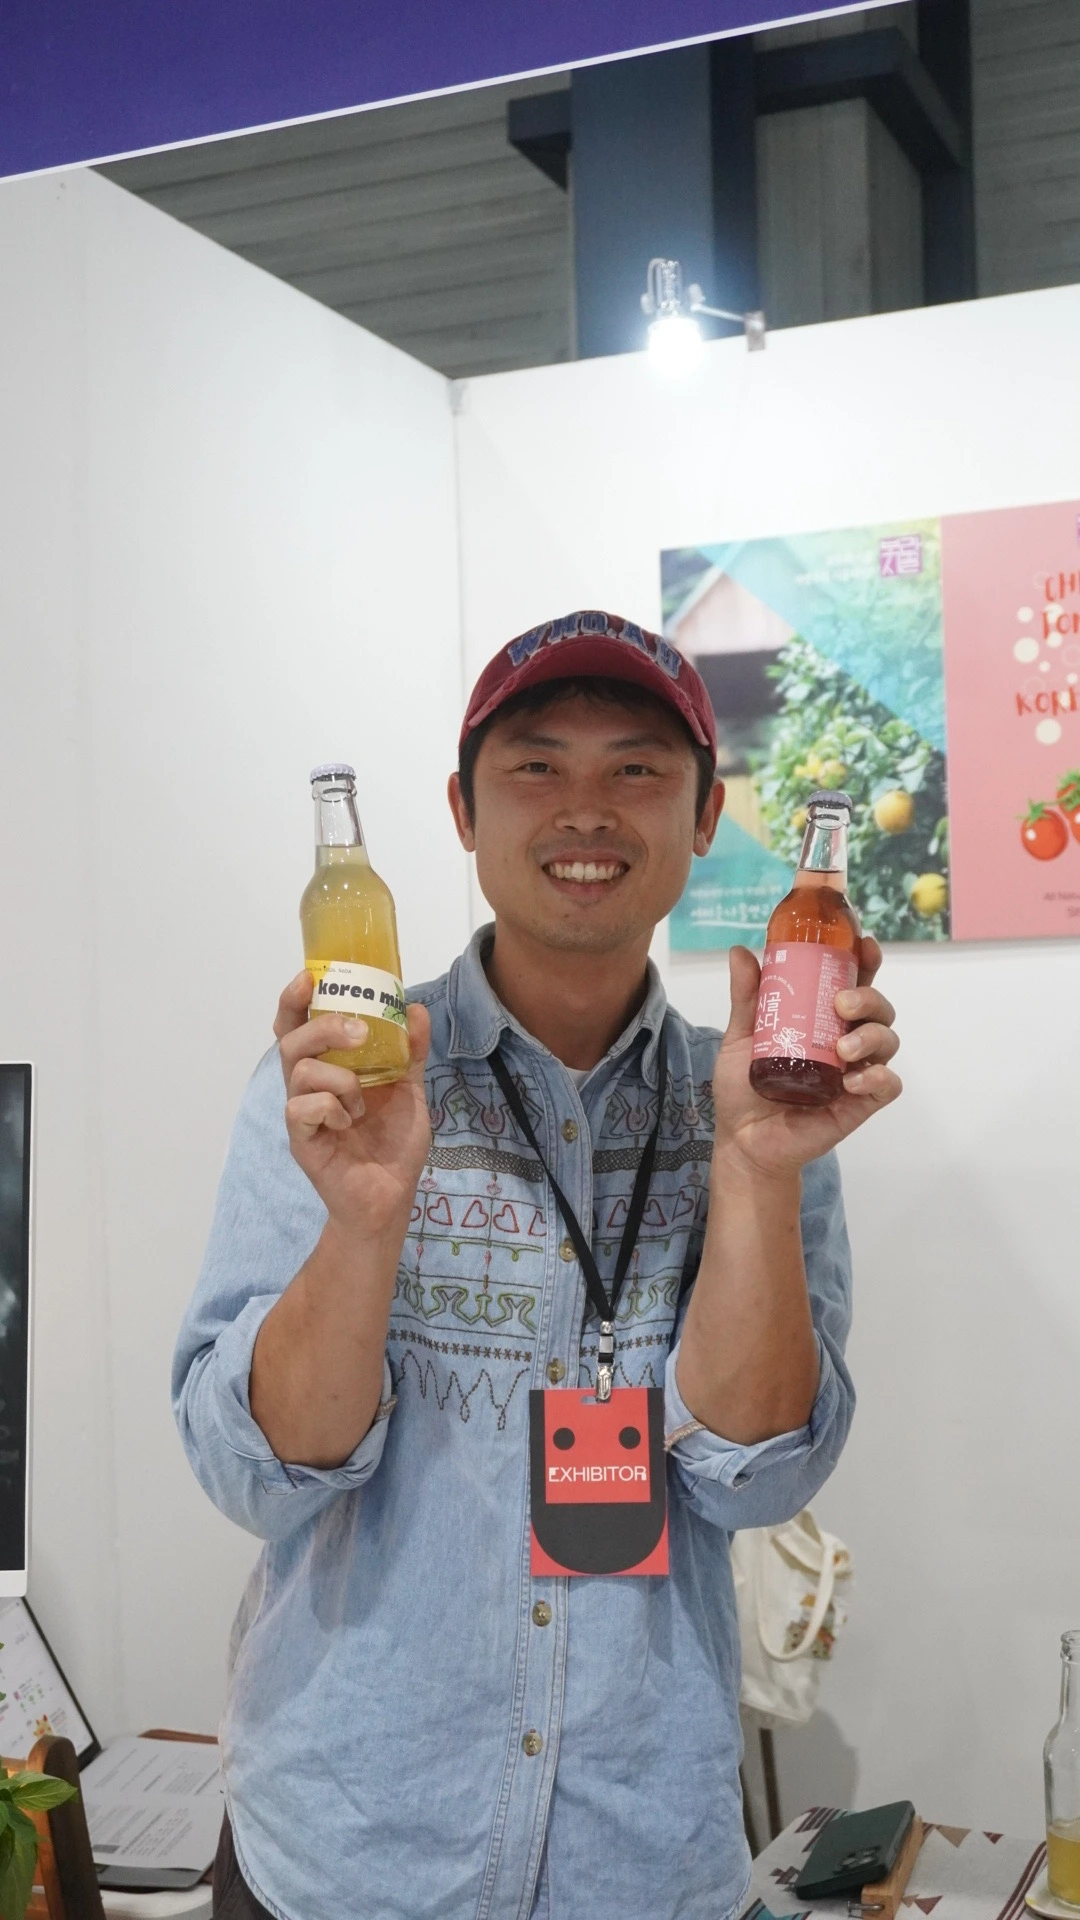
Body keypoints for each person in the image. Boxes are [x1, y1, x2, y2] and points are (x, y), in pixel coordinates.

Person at [174, 610, 901, 1920]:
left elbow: (758, 1478)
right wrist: (362, 1223)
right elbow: (257, 1475)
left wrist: (753, 1169)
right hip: (351, 1851)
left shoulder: (754, 1099)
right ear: (463, 809)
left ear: (703, 815)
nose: (586, 811)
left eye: (636, 768)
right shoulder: (346, 1081)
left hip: (638, 1856)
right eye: (536, 765)